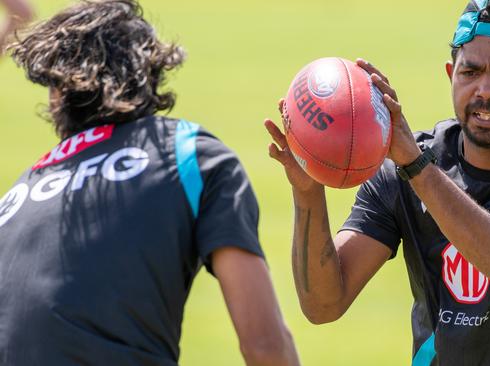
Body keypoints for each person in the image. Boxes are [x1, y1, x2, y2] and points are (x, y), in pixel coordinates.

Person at [265, 0, 490, 364]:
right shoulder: (404, 171)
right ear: (451, 73)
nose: (485, 90)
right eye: (470, 72)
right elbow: (324, 304)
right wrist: (307, 191)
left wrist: (416, 166)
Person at [0, 1, 299, 365]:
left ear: (58, 93)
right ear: (150, 73)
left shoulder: (15, 198)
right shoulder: (189, 154)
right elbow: (264, 347)